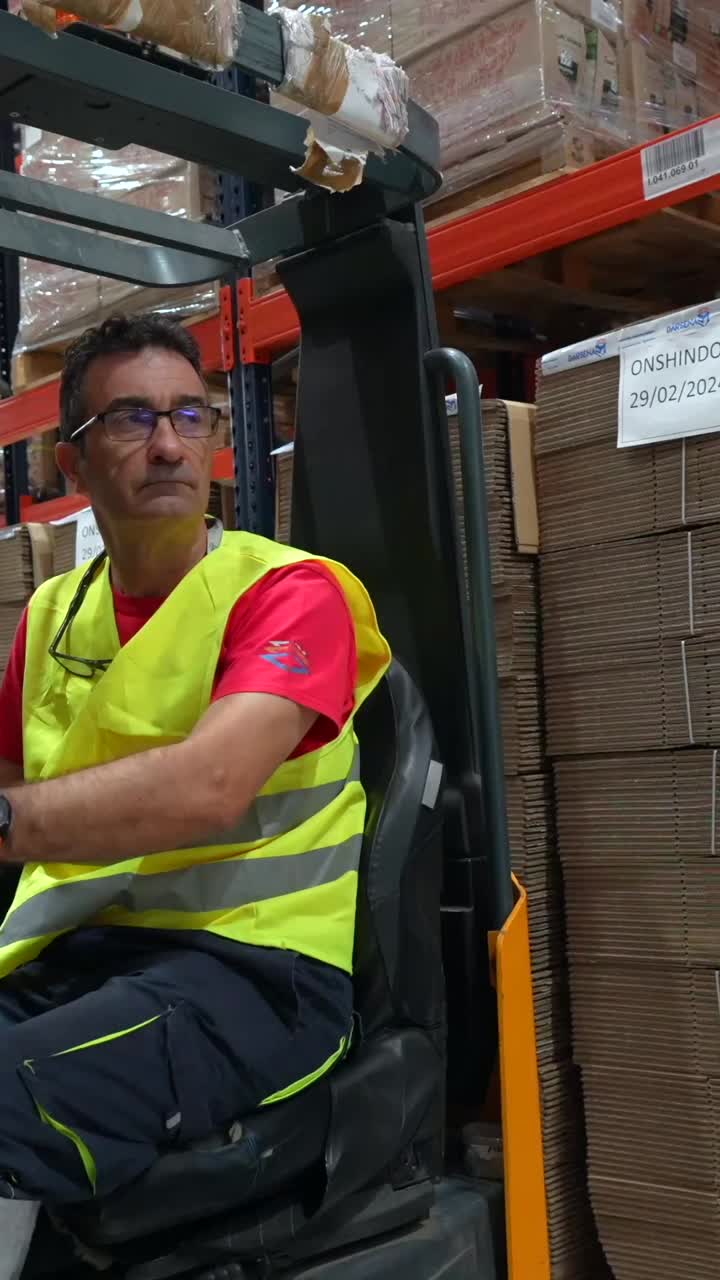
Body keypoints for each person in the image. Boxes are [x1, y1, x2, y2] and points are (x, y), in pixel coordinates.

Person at [0, 313, 390, 1279]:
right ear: (71, 462)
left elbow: (213, 787)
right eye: (131, 419)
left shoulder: (291, 592)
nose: (170, 444)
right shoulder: (55, 610)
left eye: (190, 415)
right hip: (86, 953)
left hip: (256, 974)